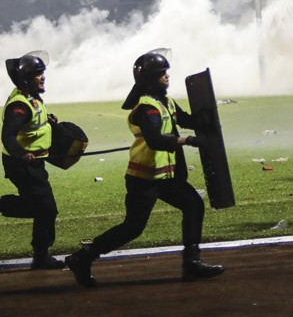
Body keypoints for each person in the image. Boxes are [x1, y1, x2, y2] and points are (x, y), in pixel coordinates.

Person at [65, 50, 224, 287]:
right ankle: (82, 258)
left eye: (166, 72)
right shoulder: (147, 108)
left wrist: (206, 116)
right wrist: (188, 141)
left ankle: (192, 263)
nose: (166, 76)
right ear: (150, 79)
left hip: (166, 177)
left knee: (193, 206)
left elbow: (185, 120)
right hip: (145, 179)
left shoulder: (165, 101)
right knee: (132, 228)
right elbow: (155, 140)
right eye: (161, 74)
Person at [0, 51, 65, 270]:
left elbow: (32, 124)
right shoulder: (19, 105)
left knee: (38, 207)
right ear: (26, 79)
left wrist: (49, 121)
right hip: (22, 165)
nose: (42, 77)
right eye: (37, 74)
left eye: (43, 73)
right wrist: (22, 154)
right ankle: (41, 256)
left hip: (32, 163)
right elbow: (8, 136)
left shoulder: (31, 97)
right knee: (47, 209)